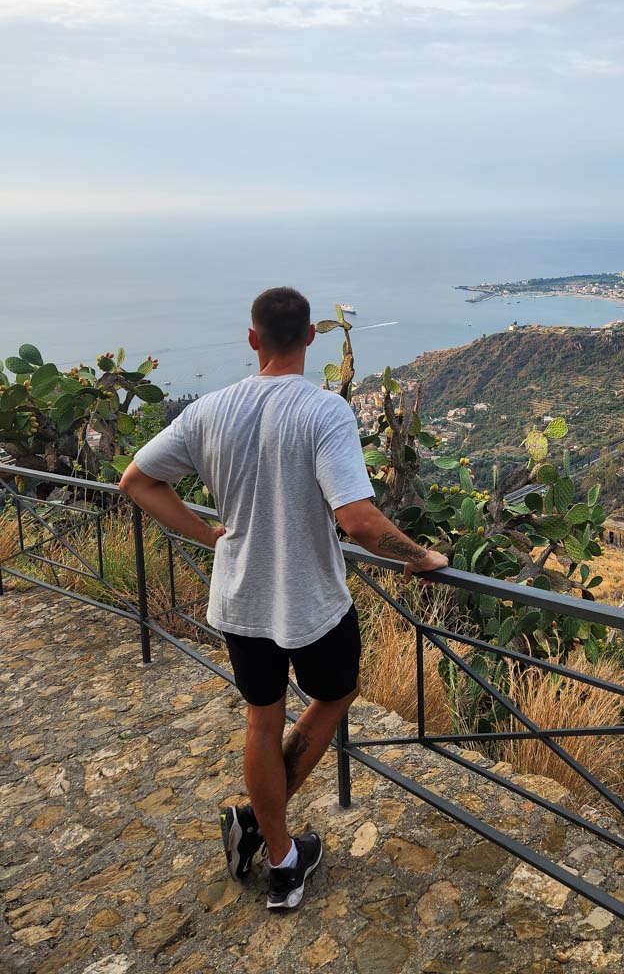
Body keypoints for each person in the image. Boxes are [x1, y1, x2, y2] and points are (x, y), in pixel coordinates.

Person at [119, 287, 447, 910]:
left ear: (252, 340)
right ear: (311, 338)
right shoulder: (325, 411)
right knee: (336, 695)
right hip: (311, 600)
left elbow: (137, 481)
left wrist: (208, 534)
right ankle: (267, 833)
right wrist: (423, 556)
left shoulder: (209, 411)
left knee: (260, 721)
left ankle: (279, 855)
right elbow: (358, 521)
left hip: (239, 597)